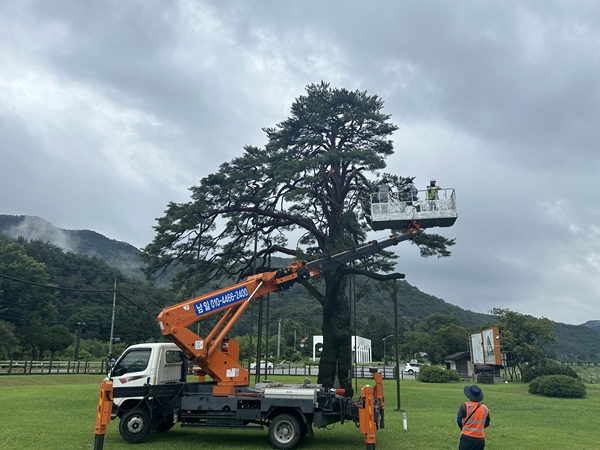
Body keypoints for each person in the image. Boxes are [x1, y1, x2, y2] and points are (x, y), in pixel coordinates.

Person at [457, 385, 490, 450]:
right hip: (480, 439)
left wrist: (463, 428)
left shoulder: (465, 406)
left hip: (467, 438)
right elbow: (487, 423)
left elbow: (458, 420)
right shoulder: (485, 408)